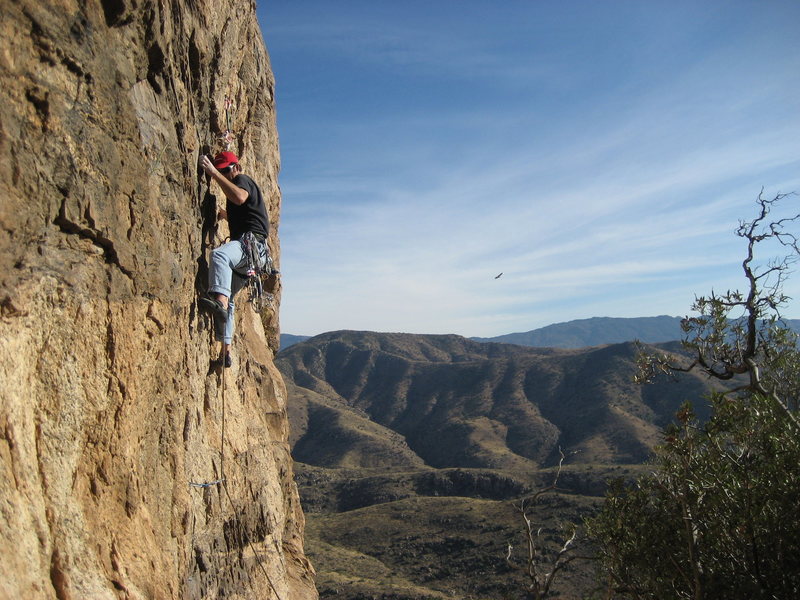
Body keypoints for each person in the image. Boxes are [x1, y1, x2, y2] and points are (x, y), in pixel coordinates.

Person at [199, 151, 269, 368]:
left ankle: (217, 303)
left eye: (227, 170)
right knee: (229, 301)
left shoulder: (242, 180)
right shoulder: (237, 185)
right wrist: (223, 214)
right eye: (221, 171)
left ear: (236, 167)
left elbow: (239, 197)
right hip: (253, 255)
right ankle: (225, 353)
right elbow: (246, 214)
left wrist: (212, 173)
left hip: (250, 246)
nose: (225, 174)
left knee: (219, 255)